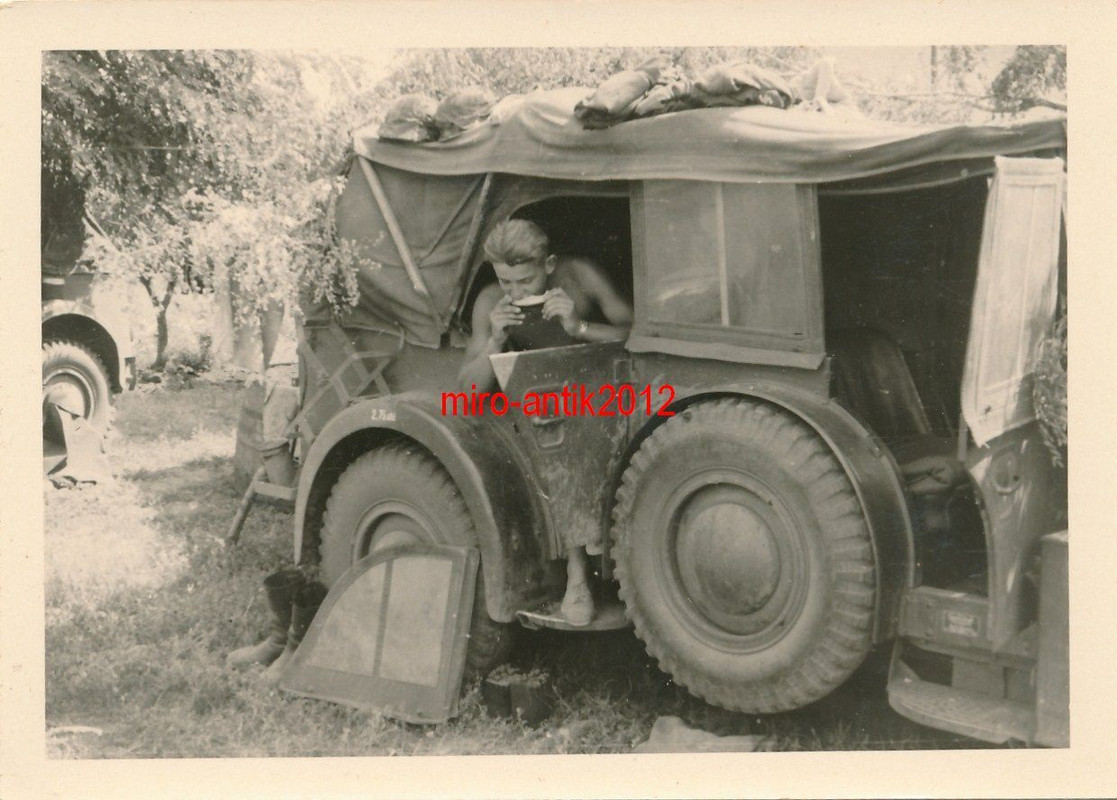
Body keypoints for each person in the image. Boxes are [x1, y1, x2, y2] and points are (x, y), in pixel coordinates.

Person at [458, 218, 634, 626]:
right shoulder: (490, 302)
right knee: (553, 435)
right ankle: (577, 576)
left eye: (525, 280)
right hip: (539, 408)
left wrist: (578, 326)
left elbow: (638, 333)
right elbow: (466, 391)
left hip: (600, 392)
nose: (517, 292)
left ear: (549, 263)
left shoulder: (581, 276)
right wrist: (494, 343)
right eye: (507, 282)